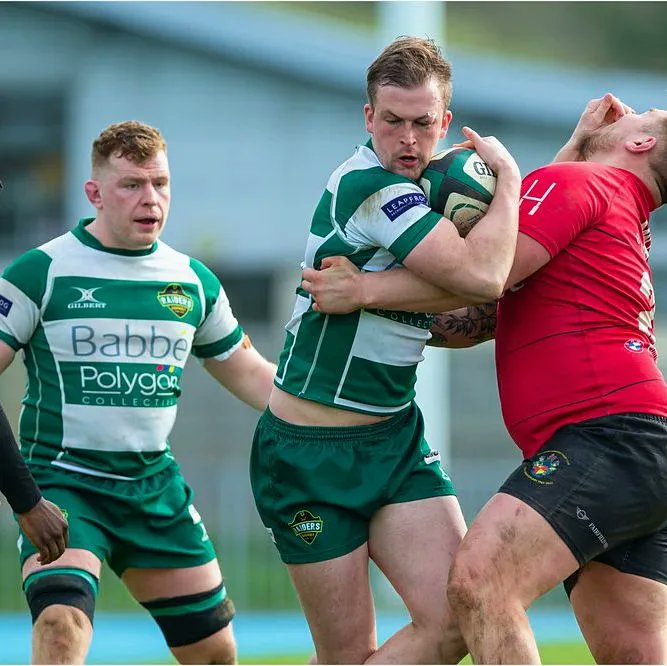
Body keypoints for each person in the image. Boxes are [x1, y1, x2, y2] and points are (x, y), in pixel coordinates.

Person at [302, 94, 667, 664]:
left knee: (481, 584)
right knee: (635, 653)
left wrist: (365, 290)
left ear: (640, 142)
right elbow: (476, 317)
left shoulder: (579, 187)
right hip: (638, 445)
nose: (634, 111)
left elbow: (485, 274)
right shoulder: (614, 206)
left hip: (606, 435)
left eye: (646, 114)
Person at [249, 36, 521, 664]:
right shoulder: (373, 186)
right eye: (391, 121)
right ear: (367, 117)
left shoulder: (429, 192)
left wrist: (369, 290)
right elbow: (481, 277)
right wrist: (507, 178)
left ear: (444, 122)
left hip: (394, 442)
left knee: (460, 618)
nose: (407, 139)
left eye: (422, 124)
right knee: (346, 654)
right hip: (309, 457)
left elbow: (452, 303)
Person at [0, 120, 276, 665]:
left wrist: (337, 415)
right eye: (131, 185)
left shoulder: (192, 281)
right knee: (61, 626)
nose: (150, 198)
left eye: (160, 183)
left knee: (217, 655)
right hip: (65, 486)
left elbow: (252, 374)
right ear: (95, 193)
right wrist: (27, 502)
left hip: (154, 492)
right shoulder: (40, 273)